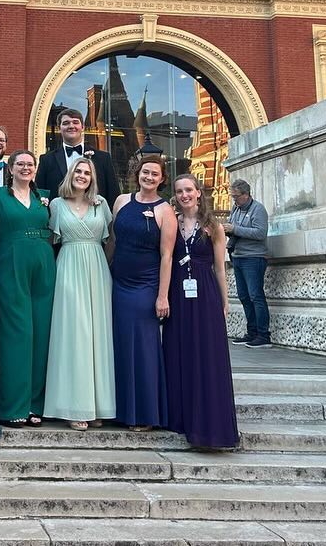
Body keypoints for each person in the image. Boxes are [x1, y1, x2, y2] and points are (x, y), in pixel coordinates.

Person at [163, 173, 238, 449]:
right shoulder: (172, 222)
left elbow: (220, 268)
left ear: (198, 192)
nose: (184, 195)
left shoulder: (213, 227)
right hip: (177, 293)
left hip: (204, 292)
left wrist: (225, 300)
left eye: (189, 190)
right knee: (179, 350)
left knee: (206, 354)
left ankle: (209, 424)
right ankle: (181, 417)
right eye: (179, 191)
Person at [44, 156, 116, 430]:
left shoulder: (102, 205)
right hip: (68, 268)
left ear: (92, 178)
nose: (82, 175)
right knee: (74, 335)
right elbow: (50, 242)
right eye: (78, 171)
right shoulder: (56, 205)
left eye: (87, 172)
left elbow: (111, 240)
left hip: (97, 270)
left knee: (98, 336)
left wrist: (103, 265)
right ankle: (74, 406)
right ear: (70, 175)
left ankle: (97, 405)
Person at [111, 153, 177, 431]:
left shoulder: (165, 211)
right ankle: (119, 409)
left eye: (154, 174)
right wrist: (103, 272)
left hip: (145, 285)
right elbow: (112, 240)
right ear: (137, 173)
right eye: (145, 172)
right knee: (119, 344)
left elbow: (167, 256)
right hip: (118, 282)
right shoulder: (121, 201)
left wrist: (162, 296)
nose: (148, 177)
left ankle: (145, 413)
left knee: (143, 347)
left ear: (162, 180)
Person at [0, 150, 54, 428]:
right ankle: (12, 406)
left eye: (30, 164)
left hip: (43, 264)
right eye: (20, 164)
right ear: (11, 168)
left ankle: (34, 405)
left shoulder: (45, 197)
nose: (26, 168)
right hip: (10, 263)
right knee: (17, 332)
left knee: (41, 332)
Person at [35, 108, 120, 208]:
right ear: (59, 128)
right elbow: (40, 194)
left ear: (82, 127)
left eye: (75, 122)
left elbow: (113, 193)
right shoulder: (46, 160)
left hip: (95, 218)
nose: (71, 126)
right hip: (58, 219)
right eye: (66, 123)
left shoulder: (103, 158)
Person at [224, 178, 271, 348]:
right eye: (233, 197)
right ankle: (251, 332)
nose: (234, 200)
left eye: (236, 196)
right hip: (238, 256)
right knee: (244, 296)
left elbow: (260, 233)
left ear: (246, 194)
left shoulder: (258, 209)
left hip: (254, 257)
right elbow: (234, 227)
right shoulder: (236, 209)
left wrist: (234, 229)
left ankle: (263, 334)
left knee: (255, 295)